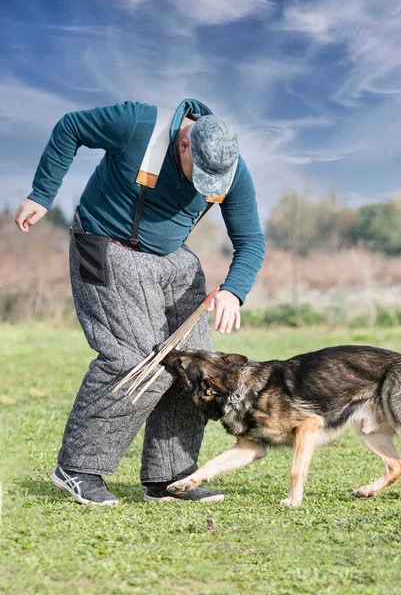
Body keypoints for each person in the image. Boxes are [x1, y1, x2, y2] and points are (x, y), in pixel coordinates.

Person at [14, 99, 265, 505]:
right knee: (134, 361)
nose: (204, 188)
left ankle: (171, 476)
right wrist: (42, 194)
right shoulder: (137, 124)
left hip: (172, 259)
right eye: (198, 175)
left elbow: (251, 241)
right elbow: (70, 127)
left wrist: (234, 290)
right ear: (185, 145)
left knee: (196, 366)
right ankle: (76, 469)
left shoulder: (231, 170)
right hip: (106, 246)